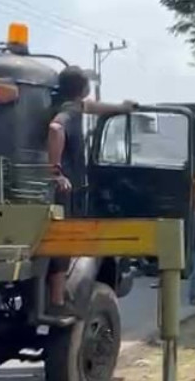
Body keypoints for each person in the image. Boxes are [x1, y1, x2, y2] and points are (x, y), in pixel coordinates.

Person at [46, 66, 136, 317]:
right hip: (64, 189)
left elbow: (93, 107)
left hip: (53, 189)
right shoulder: (68, 112)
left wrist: (121, 107)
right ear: (83, 88)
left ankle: (57, 292)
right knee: (64, 240)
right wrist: (56, 171)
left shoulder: (61, 104)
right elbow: (55, 129)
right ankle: (57, 298)